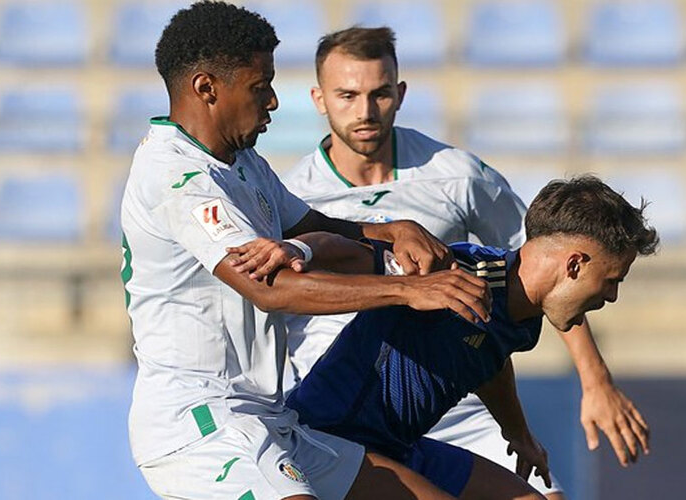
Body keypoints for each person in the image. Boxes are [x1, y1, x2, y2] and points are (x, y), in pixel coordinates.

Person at [121, 3, 495, 499]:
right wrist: (408, 289)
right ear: (207, 88)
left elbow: (319, 228)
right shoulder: (177, 177)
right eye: (261, 86)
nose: (274, 101)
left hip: (269, 417)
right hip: (200, 425)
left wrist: (394, 229)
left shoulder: (243, 164)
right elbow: (270, 290)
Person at [277, 26, 650, 498]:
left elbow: (543, 277)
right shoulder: (291, 197)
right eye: (348, 95)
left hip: (449, 403)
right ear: (318, 98)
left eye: (380, 94)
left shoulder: (457, 176)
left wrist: (591, 380)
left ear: (401, 93)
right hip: (337, 415)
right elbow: (327, 260)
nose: (366, 111)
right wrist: (303, 249)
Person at [230, 175, 659, 498]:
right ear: (575, 265)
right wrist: (299, 250)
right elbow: (351, 252)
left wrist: (518, 434)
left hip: (398, 447)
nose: (613, 295)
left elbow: (487, 360)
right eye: (611, 280)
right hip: (328, 440)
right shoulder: (451, 271)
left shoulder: (523, 318)